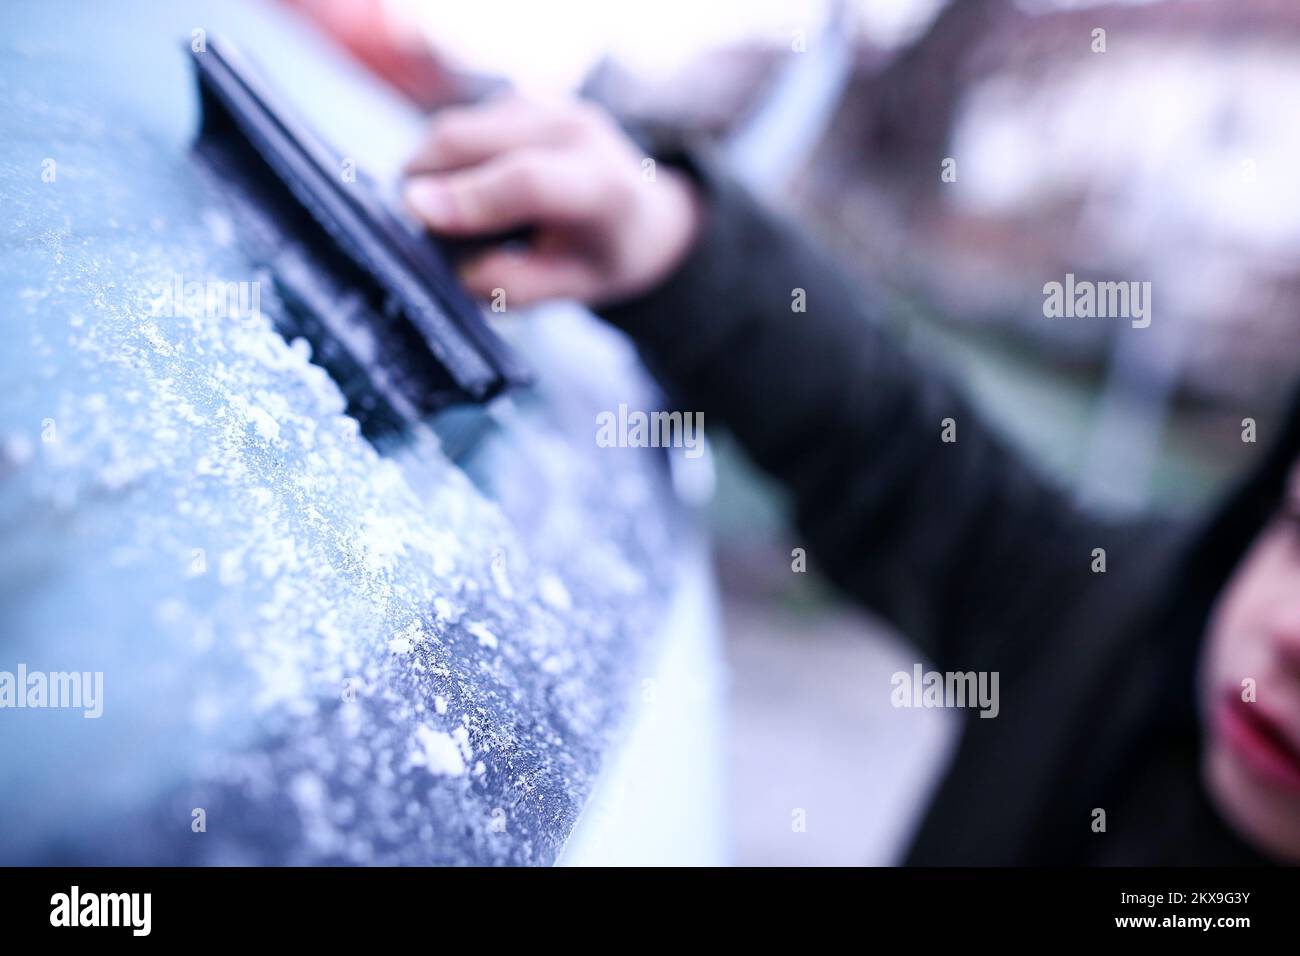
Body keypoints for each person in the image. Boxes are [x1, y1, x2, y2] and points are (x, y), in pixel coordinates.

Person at [402, 95, 1300, 865]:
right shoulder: (1123, 625)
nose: (1293, 635)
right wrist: (681, 251)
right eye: (1298, 530)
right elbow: (895, 453)